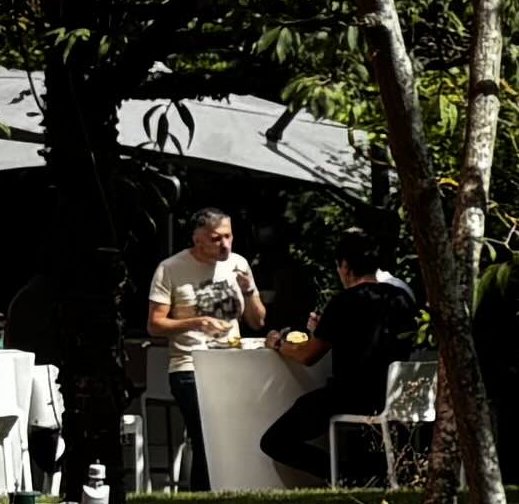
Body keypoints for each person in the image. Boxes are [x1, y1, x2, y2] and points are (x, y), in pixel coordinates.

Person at [261, 242, 420, 484]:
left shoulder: (344, 301)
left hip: (352, 396)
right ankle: (363, 474)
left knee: (275, 441)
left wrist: (277, 343)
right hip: (396, 394)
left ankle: (345, 475)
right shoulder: (402, 299)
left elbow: (308, 356)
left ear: (344, 266)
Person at [143, 209, 265, 489]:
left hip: (234, 362)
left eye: (228, 236)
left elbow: (257, 321)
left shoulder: (238, 264)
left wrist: (248, 290)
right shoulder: (171, 268)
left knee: (233, 434)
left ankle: (233, 490)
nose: (225, 244)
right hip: (190, 365)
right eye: (216, 239)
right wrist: (196, 322)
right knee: (207, 434)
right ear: (197, 240)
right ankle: (205, 495)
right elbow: (155, 324)